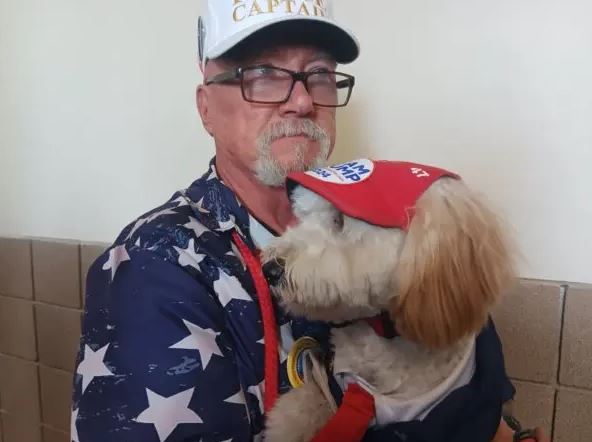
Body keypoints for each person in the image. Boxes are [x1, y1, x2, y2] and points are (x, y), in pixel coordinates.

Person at [71, 1, 549, 441]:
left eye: (318, 73)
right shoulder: (157, 262)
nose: (301, 102)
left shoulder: (394, 224)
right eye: (261, 72)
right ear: (205, 107)